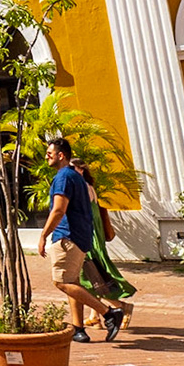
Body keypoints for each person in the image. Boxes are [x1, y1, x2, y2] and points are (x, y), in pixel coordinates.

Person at [37, 138, 122, 342]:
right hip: (80, 237)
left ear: (61, 155)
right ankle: (78, 328)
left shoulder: (63, 177)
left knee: (60, 282)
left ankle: (109, 313)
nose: (47, 156)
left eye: (50, 152)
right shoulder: (75, 177)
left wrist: (43, 235)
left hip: (67, 237)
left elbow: (58, 210)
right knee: (73, 282)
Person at [72, 160, 136, 324]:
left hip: (88, 238)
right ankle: (95, 316)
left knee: (89, 277)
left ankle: (121, 306)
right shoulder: (88, 186)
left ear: (81, 170)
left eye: (73, 168)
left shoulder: (83, 187)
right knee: (95, 274)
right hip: (93, 236)